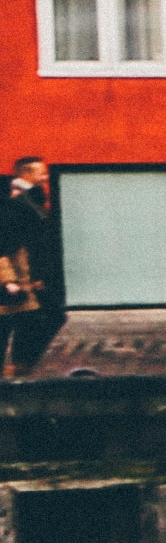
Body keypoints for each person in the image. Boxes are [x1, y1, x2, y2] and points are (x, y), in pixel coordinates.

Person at [2, 155, 62, 379]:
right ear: (26, 173)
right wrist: (12, 278)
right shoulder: (14, 199)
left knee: (29, 317)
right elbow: (10, 241)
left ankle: (20, 364)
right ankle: (20, 365)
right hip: (18, 273)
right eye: (41, 172)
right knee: (40, 316)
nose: (45, 176)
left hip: (29, 272)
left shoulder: (31, 197)